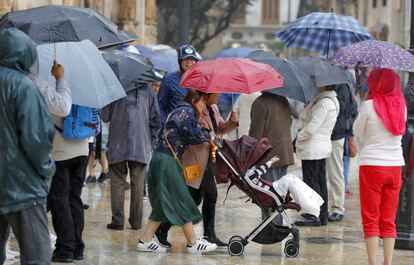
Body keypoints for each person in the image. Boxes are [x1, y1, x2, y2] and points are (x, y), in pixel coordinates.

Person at [0, 28, 56, 264]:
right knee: (37, 253)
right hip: (22, 185)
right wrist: (46, 171)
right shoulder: (23, 87)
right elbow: (37, 139)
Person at [138, 90, 217, 253]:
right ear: (196, 100)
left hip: (160, 158)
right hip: (167, 161)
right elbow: (195, 136)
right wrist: (206, 134)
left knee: (161, 202)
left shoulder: (177, 110)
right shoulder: (186, 111)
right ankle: (193, 242)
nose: (204, 107)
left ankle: (145, 240)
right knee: (181, 198)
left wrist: (199, 120)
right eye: (203, 103)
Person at [155, 93, 239, 248]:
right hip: (194, 159)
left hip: (208, 158)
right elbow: (191, 131)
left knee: (201, 197)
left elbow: (219, 128)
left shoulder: (213, 108)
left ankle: (208, 235)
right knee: (193, 198)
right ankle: (164, 228)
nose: (219, 96)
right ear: (209, 93)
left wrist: (232, 123)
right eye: (217, 93)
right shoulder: (192, 109)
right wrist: (200, 122)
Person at [353, 68, 406, 265]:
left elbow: (357, 131)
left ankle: (373, 263)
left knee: (371, 216)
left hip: (372, 166)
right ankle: (388, 262)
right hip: (395, 167)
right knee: (388, 218)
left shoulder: (368, 106)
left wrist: (366, 101)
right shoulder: (402, 106)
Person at [102, 83, 160, 231]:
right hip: (141, 143)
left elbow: (105, 115)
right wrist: (150, 140)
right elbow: (155, 119)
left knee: (117, 181)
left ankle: (117, 220)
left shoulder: (114, 88)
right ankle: (136, 222)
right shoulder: (148, 91)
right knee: (138, 183)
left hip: (117, 142)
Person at [294, 85, 340, 227]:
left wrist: (297, 137)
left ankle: (314, 215)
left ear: (325, 85)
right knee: (319, 181)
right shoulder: (326, 100)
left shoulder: (324, 103)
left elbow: (312, 128)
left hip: (312, 147)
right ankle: (322, 215)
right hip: (319, 146)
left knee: (311, 182)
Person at [249, 92, 295, 225]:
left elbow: (255, 133)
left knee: (269, 195)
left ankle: (271, 228)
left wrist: (249, 154)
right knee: (279, 193)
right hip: (284, 153)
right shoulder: (284, 99)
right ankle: (277, 225)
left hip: (268, 156)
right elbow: (289, 122)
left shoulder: (260, 103)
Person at [326, 83, 358, 222]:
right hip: (325, 134)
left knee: (336, 173)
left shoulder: (342, 87)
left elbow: (341, 109)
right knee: (324, 174)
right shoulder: (332, 86)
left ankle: (338, 208)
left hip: (336, 134)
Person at [157, 44, 201, 124]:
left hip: (194, 130)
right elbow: (160, 106)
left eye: (192, 59)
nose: (189, 62)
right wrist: (165, 124)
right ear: (180, 61)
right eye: (186, 59)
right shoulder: (168, 79)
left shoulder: (200, 80)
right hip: (174, 130)